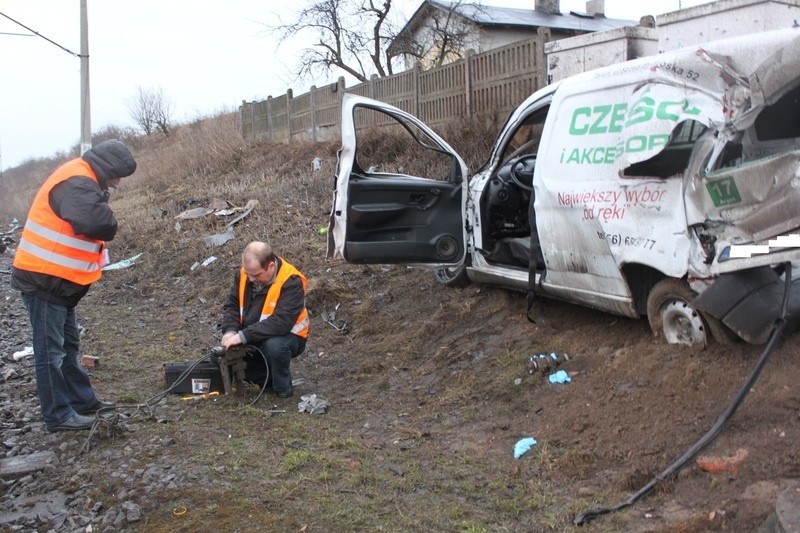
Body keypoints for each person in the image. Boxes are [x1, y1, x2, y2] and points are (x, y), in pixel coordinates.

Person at [12, 140, 137, 432]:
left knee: (69, 346)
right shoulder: (78, 181)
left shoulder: (81, 178)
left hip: (57, 283)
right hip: (44, 281)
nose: (117, 182)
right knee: (51, 353)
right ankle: (58, 415)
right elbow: (97, 222)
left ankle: (82, 402)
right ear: (106, 168)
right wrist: (110, 220)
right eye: (117, 175)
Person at [220, 241, 309, 398]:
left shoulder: (291, 281)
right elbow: (232, 306)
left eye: (256, 275)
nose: (251, 279)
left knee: (274, 347)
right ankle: (265, 379)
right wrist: (230, 331)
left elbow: (281, 323)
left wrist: (242, 336)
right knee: (220, 356)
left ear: (271, 267)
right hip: (253, 333)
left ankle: (283, 388)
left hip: (288, 337)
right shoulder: (243, 274)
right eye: (249, 274)